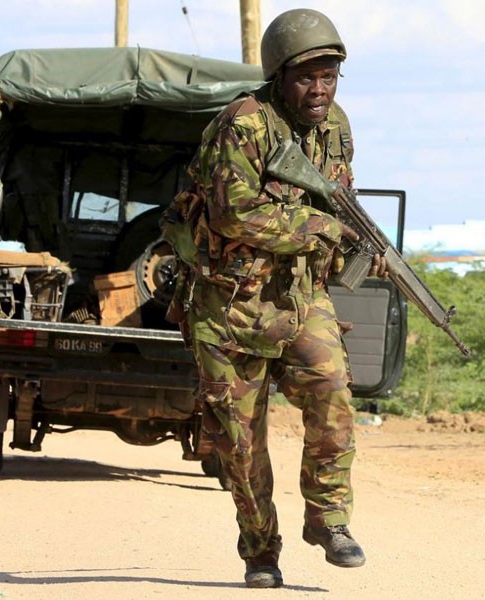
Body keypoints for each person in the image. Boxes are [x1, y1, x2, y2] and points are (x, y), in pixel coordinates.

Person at [164, 8, 387, 588]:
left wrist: (359, 244)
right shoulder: (244, 123)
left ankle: (328, 517)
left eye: (329, 76)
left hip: (298, 297)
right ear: (279, 75)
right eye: (306, 77)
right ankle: (261, 551)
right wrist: (323, 231)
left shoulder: (335, 126)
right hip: (228, 304)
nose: (319, 90)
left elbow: (339, 200)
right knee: (239, 444)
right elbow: (234, 213)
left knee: (332, 389)